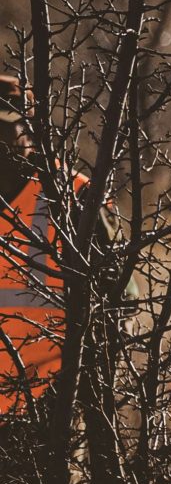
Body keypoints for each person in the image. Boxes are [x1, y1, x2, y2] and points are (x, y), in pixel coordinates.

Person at [0, 75, 82, 418]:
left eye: (4, 127)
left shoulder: (72, 195)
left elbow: (118, 297)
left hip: (49, 403)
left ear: (28, 129)